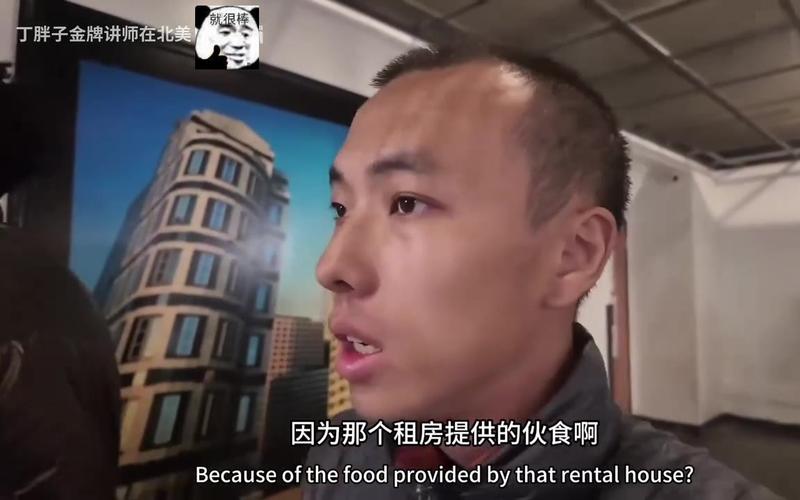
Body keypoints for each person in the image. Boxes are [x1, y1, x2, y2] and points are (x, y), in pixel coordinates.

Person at [303, 43, 783, 499]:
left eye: (407, 203)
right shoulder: (341, 454)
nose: (332, 267)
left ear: (573, 253)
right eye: (341, 208)